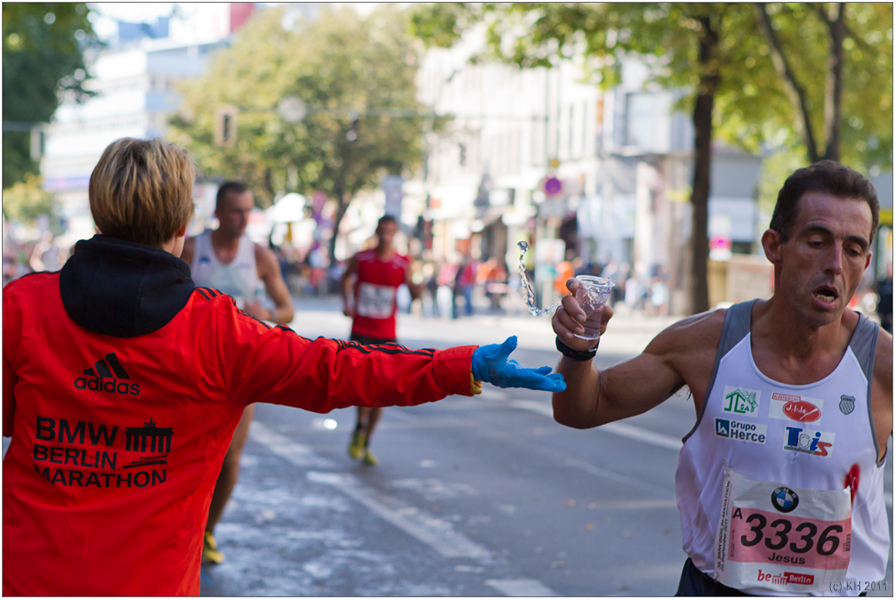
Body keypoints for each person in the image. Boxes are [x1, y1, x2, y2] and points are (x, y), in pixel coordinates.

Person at [2, 137, 566, 597]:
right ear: (182, 230)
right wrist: (458, 365)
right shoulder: (219, 334)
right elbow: (339, 371)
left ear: (98, 212)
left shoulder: (22, 308)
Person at [550, 160, 891, 596]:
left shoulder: (883, 365)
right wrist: (580, 348)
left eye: (854, 248)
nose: (835, 264)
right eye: (817, 242)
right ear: (774, 246)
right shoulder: (706, 343)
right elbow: (583, 408)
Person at [180, 181, 295, 565]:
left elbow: (287, 310)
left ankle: (209, 531)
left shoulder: (259, 255)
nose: (243, 218)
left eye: (247, 210)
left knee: (230, 457)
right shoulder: (192, 250)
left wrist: (267, 316)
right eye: (235, 211)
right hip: (190, 370)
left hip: (239, 373)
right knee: (184, 453)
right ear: (218, 213)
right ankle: (180, 529)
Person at [340, 215, 422, 465]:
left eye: (390, 230)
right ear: (377, 231)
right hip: (362, 330)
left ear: (395, 233)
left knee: (383, 392)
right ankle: (359, 426)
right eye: (382, 229)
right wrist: (347, 302)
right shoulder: (362, 258)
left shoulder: (402, 263)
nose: (386, 234)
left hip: (387, 333)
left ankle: (366, 439)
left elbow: (413, 291)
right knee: (360, 386)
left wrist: (419, 286)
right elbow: (345, 277)